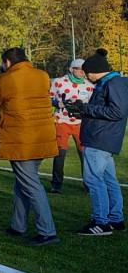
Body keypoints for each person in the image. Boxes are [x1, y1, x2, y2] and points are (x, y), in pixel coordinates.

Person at [0, 47, 60, 246]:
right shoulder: (43, 75)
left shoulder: (6, 79)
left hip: (20, 139)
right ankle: (18, 226)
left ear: (7, 62)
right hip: (42, 136)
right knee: (23, 182)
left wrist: (1, 76)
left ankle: (48, 232)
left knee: (31, 185)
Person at [64, 48, 127, 235]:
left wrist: (87, 109)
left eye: (86, 72)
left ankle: (101, 222)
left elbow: (117, 112)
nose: (85, 76)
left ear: (93, 71)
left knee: (94, 180)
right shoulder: (111, 82)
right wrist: (83, 110)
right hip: (104, 138)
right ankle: (115, 219)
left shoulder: (113, 84)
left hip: (99, 139)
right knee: (109, 180)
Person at [48, 59, 91, 194]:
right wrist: (56, 103)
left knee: (85, 154)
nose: (83, 71)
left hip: (81, 123)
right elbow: (47, 98)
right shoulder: (58, 82)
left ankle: (89, 184)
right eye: (79, 69)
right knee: (60, 153)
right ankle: (56, 184)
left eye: (84, 69)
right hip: (62, 121)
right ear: (71, 69)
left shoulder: (89, 84)